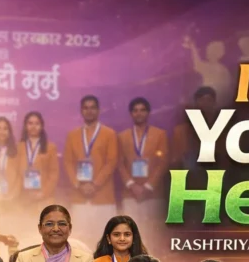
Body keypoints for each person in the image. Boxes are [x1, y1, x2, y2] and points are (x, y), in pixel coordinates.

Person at [62, 96, 118, 242]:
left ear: (99, 110)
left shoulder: (109, 134)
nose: (89, 111)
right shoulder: (72, 135)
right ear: (81, 111)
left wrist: (95, 184)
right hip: (79, 196)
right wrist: (78, 184)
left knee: (105, 241)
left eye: (93, 107)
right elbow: (68, 162)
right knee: (79, 241)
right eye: (86, 108)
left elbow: (111, 162)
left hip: (103, 197)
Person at [117, 98, 169, 227]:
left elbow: (163, 162)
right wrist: (132, 185)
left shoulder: (160, 134)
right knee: (130, 231)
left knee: (153, 232)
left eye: (142, 110)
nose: (139, 113)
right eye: (135, 110)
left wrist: (148, 186)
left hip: (153, 193)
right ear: (131, 114)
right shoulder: (122, 136)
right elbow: (119, 163)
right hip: (130, 194)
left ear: (148, 113)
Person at [9, 112, 60, 240]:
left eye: (37, 123)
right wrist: (17, 193)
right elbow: (14, 173)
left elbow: (54, 173)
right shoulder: (18, 147)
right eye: (30, 123)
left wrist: (43, 193)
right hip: (23, 199)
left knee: (42, 236)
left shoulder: (50, 147)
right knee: (23, 235)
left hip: (43, 199)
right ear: (25, 126)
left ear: (42, 126)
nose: (33, 126)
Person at [171, 87, 218, 170]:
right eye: (202, 100)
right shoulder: (181, 130)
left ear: (214, 103)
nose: (205, 103)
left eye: (208, 100)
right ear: (196, 103)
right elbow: (176, 157)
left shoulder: (221, 126)